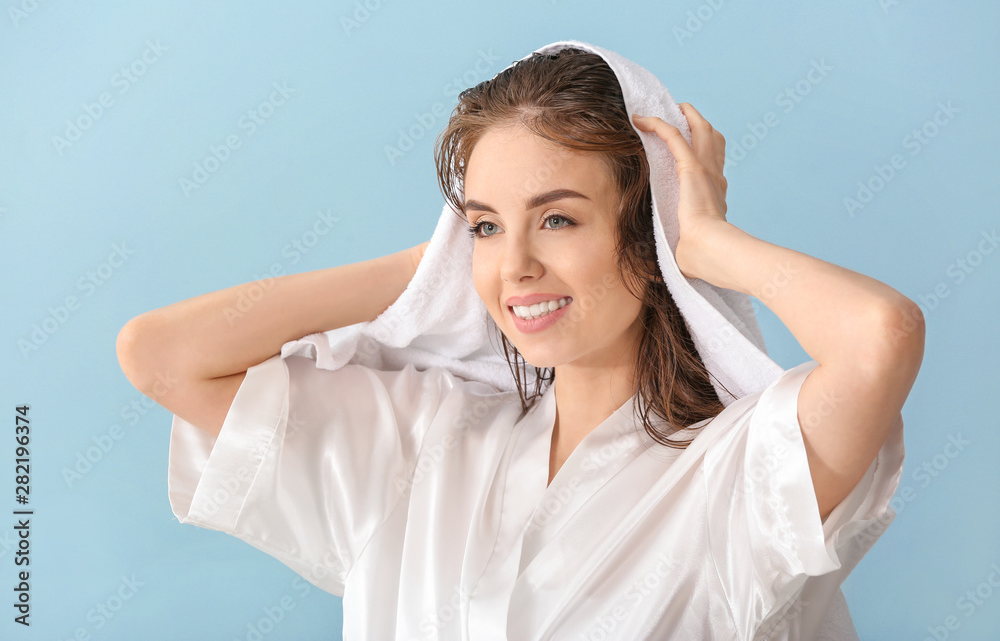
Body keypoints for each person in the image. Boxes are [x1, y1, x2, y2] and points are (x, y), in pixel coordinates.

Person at [116, 42, 923, 639]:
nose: (517, 265)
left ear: (647, 233)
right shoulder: (422, 443)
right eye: (488, 226)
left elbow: (879, 336)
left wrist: (707, 240)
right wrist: (439, 263)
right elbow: (161, 356)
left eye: (558, 218)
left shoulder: (737, 472)